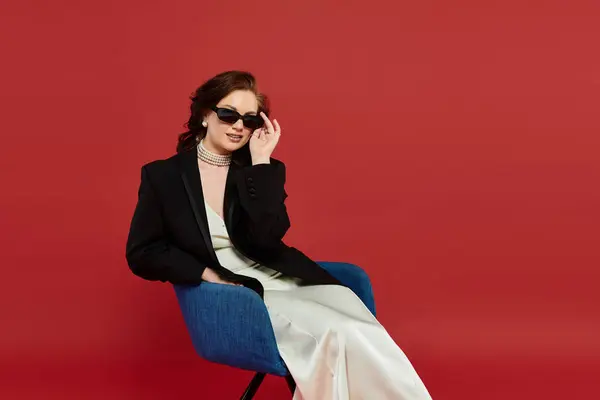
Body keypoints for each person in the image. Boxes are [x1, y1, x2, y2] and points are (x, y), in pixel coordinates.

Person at [125, 70, 432, 400]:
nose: (239, 126)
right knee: (337, 334)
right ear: (204, 115)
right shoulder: (163, 177)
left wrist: (260, 163)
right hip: (242, 296)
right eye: (228, 114)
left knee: (364, 330)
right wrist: (203, 273)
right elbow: (142, 251)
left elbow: (267, 238)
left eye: (250, 119)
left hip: (287, 280)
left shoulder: (262, 171)